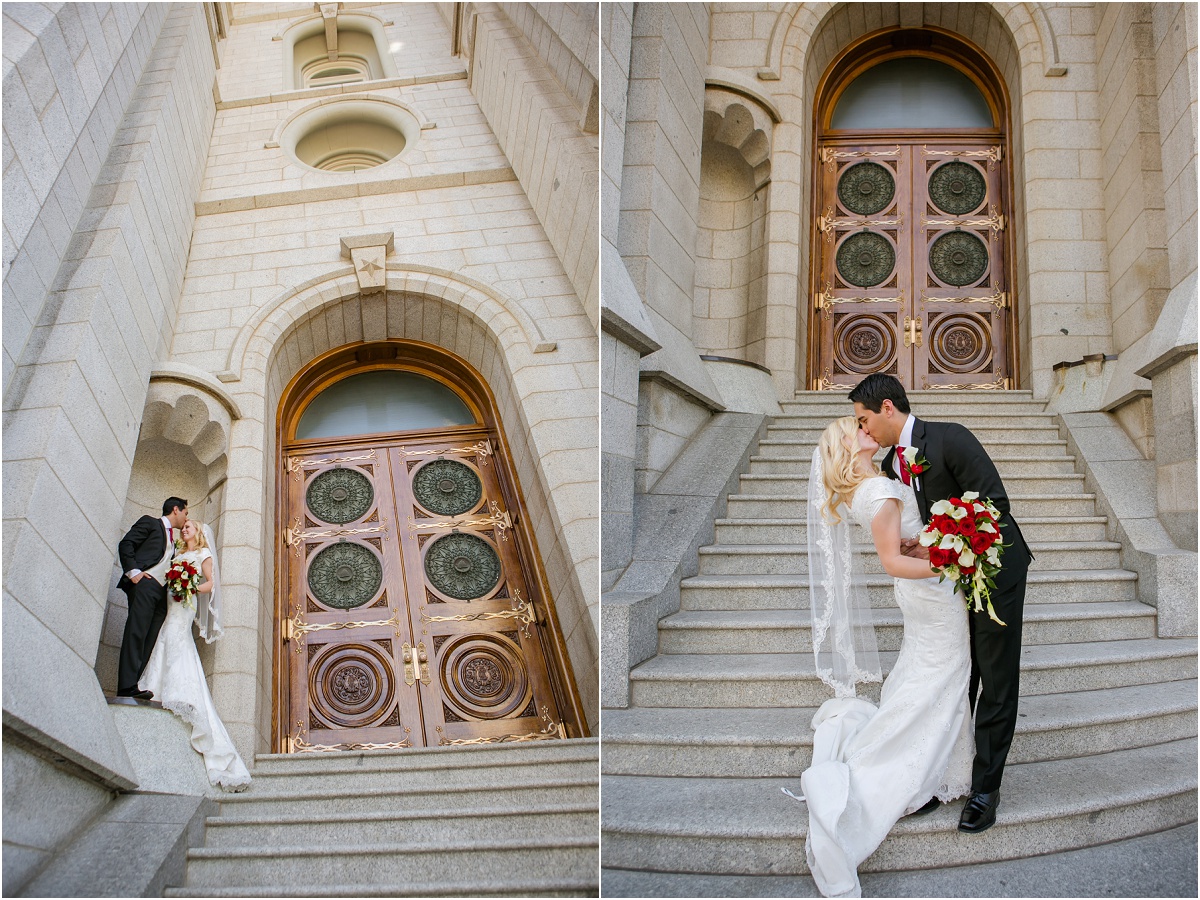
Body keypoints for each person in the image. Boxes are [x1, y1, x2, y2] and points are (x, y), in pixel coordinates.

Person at [788, 416, 974, 898]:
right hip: (930, 589)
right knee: (944, 674)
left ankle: (940, 765)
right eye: (855, 427)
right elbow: (892, 560)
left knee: (927, 673)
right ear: (845, 447)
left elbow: (898, 548)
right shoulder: (879, 491)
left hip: (918, 592)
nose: (863, 426)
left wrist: (926, 545)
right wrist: (954, 558)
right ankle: (908, 767)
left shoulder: (865, 491)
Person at [849, 373, 1032, 834]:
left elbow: (994, 506)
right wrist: (922, 546)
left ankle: (985, 789)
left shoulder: (951, 438)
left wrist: (940, 549)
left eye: (865, 419)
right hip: (948, 583)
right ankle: (944, 771)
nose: (863, 430)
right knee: (958, 674)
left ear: (887, 407)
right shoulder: (891, 464)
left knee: (995, 676)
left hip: (996, 573)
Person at [138, 519, 250, 791]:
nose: (184, 529)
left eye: (188, 526)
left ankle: (179, 694)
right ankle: (158, 689)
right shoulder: (178, 553)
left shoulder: (203, 554)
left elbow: (210, 584)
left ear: (198, 532)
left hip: (184, 606)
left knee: (177, 639)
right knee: (166, 638)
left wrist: (187, 587)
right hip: (172, 605)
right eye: (183, 526)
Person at [116, 497, 189, 699]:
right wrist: (134, 572)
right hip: (145, 585)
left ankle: (137, 684)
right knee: (136, 632)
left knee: (150, 639)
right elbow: (126, 544)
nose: (186, 517)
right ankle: (126, 687)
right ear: (176, 509)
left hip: (161, 596)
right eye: (186, 512)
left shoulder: (174, 542)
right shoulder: (150, 522)